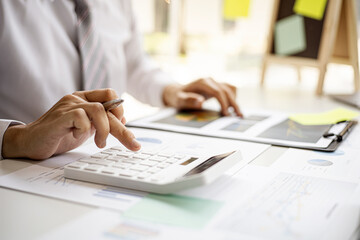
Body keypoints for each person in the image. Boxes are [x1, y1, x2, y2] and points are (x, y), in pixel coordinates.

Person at [0, 0, 242, 160]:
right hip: (21, 169)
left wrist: (172, 91)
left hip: (102, 158)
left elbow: (133, 61)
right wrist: (17, 138)